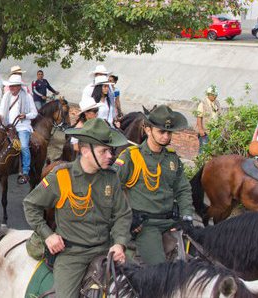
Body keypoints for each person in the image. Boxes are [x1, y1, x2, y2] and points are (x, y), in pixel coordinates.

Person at [23, 118, 132, 297]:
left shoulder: (111, 178)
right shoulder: (61, 177)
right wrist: (48, 235)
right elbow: (30, 205)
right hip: (72, 255)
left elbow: (123, 214)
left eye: (110, 150)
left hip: (106, 250)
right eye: (104, 151)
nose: (110, 156)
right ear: (85, 151)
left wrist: (119, 244)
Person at [114, 105, 195, 265]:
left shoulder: (172, 159)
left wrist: (186, 216)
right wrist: (127, 217)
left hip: (170, 220)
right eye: (161, 131)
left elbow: (183, 189)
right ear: (148, 130)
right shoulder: (131, 157)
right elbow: (111, 189)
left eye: (169, 132)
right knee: (160, 269)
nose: (166, 136)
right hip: (145, 225)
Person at [0, 75, 38, 184]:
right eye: (10, 86)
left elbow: (34, 113)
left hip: (22, 126)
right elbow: (1, 110)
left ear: (19, 86)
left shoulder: (27, 97)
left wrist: (25, 116)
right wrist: (0, 116)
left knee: (24, 146)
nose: (11, 88)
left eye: (14, 86)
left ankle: (25, 171)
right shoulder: (6, 95)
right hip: (7, 126)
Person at [196, 85, 221, 152]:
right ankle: (200, 162)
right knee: (203, 150)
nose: (215, 96)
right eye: (213, 95)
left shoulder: (217, 103)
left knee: (213, 150)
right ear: (208, 95)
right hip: (205, 131)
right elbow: (199, 117)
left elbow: (219, 115)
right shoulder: (203, 104)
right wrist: (201, 130)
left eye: (216, 95)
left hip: (215, 131)